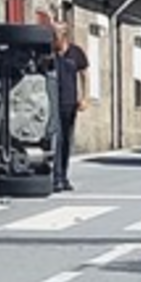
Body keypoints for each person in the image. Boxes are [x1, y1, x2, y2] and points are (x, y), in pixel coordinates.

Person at [52, 22, 89, 192]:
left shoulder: (75, 53)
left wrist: (84, 97)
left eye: (56, 34)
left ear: (64, 35)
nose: (53, 38)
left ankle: (64, 176)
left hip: (69, 102)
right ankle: (56, 177)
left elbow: (84, 74)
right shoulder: (48, 53)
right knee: (56, 139)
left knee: (66, 140)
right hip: (52, 102)